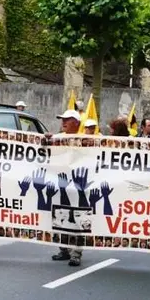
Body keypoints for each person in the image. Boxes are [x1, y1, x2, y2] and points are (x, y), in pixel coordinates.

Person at [49, 109, 85, 266]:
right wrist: (44, 140)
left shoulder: (86, 141)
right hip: (61, 185)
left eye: (67, 119)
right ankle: (63, 249)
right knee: (59, 217)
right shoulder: (57, 139)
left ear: (76, 123)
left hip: (78, 187)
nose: (63, 122)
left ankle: (76, 252)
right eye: (62, 119)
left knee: (78, 218)